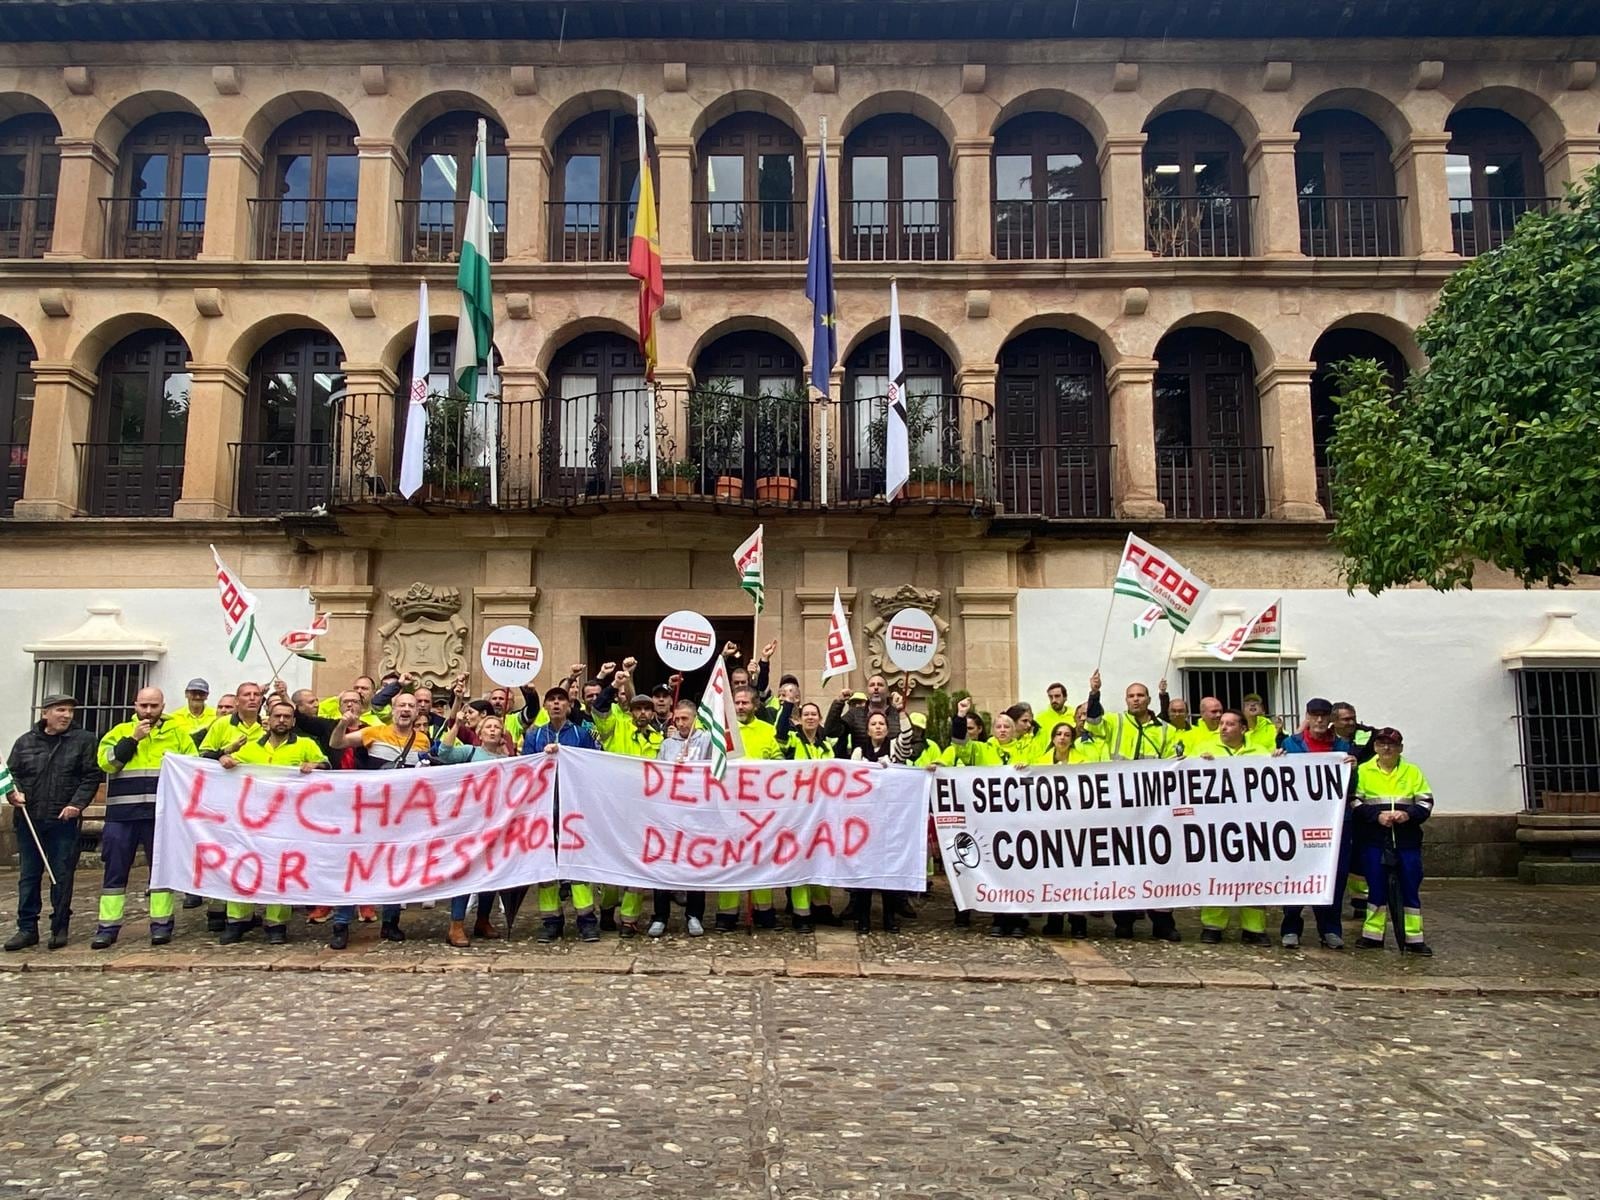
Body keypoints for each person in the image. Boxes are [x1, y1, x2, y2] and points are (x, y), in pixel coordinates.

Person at [215, 697, 327, 945]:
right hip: (252, 821)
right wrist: (224, 759)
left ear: (293, 721)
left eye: (287, 717)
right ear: (269, 719)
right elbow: (230, 765)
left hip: (287, 821)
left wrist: (315, 765)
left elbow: (327, 766)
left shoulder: (306, 744)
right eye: (277, 716)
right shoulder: (252, 747)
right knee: (243, 866)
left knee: (280, 870)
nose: (282, 720)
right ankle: (237, 920)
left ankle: (276, 924)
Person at [92, 687, 197, 949]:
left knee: (160, 873)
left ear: (163, 705)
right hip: (122, 816)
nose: (148, 711)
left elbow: (192, 769)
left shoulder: (178, 734)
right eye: (143, 706)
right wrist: (133, 739)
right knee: (114, 873)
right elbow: (107, 764)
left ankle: (161, 925)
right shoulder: (118, 732)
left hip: (161, 816)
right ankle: (108, 927)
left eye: (154, 706)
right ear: (134, 706)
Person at [325, 693, 432, 947]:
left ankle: (391, 923)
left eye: (411, 706)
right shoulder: (373, 732)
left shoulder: (423, 741)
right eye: (401, 705)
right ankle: (341, 923)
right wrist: (343, 723)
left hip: (402, 816)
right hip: (369, 813)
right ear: (392, 710)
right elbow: (337, 743)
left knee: (395, 867)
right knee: (355, 866)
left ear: (417, 712)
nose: (406, 710)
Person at [1083, 672, 1181, 942]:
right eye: (1131, 696)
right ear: (1125, 700)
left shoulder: (1165, 730)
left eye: (1140, 695)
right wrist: (1094, 693)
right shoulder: (1115, 722)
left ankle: (1163, 922)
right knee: (1123, 863)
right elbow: (1092, 724)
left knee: (1159, 863)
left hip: (1154, 807)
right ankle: (1123, 921)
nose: (1135, 699)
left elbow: (1176, 761)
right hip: (1121, 806)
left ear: (1149, 699)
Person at [3, 693, 101, 951]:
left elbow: (91, 776)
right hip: (29, 818)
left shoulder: (84, 740)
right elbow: (13, 774)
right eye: (60, 710)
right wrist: (15, 793)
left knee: (62, 874)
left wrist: (77, 805)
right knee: (29, 875)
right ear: (45, 713)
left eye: (70, 710)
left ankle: (59, 926)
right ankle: (26, 928)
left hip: (63, 818)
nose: (66, 715)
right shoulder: (25, 742)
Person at [523, 685, 604, 943]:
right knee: (546, 865)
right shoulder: (534, 736)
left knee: (577, 863)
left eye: (561, 700)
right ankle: (551, 922)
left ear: (569, 706)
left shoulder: (582, 734)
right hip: (544, 809)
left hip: (574, 810)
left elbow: (595, 762)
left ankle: (587, 921)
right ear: (546, 706)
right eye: (552, 700)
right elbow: (524, 769)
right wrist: (542, 758)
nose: (557, 704)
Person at [1278, 697, 1357, 950]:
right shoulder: (1291, 744)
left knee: (1335, 875)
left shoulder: (1343, 746)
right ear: (1308, 716)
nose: (1320, 720)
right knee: (1296, 872)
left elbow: (1352, 789)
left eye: (1324, 715)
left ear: (1331, 718)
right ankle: (1291, 926)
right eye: (1315, 715)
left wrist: (1352, 770)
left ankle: (1330, 928)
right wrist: (1276, 761)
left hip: (1335, 822)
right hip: (1299, 821)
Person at [1351, 728, 1434, 956]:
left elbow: (1426, 802)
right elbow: (1354, 802)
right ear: (1376, 746)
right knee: (1375, 887)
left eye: (1392, 744)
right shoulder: (1363, 771)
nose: (1387, 748)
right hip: (1374, 839)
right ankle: (1372, 935)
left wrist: (1408, 815)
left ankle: (1413, 938)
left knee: (1410, 887)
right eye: (1382, 744)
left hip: (1406, 840)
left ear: (1400, 748)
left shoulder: (1412, 771)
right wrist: (1375, 817)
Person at [1197, 711, 1277, 945]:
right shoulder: (1205, 749)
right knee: (1217, 872)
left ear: (1243, 729)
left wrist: (1280, 761)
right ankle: (1212, 925)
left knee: (1252, 874)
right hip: (1216, 824)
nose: (1223, 728)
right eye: (1221, 723)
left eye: (1230, 724)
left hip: (1252, 824)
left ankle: (1254, 928)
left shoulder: (1260, 752)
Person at [436, 713, 516, 947]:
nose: (493, 730)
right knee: (465, 872)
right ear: (479, 734)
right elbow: (444, 753)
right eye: (488, 727)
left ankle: (483, 920)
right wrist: (457, 725)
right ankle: (456, 925)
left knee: (490, 873)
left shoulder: (508, 757)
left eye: (497, 727)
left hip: (496, 822)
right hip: (469, 822)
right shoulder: (469, 752)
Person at [715, 684, 786, 931]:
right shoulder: (721, 730)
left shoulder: (768, 730)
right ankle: (727, 914)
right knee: (730, 857)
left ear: (755, 705)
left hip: (760, 808)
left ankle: (763, 910)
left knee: (760, 856)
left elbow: (779, 763)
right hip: (728, 806)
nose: (741, 707)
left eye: (745, 703)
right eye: (737, 703)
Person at [647, 700, 712, 939]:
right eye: (678, 719)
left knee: (695, 864)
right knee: (663, 863)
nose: (681, 723)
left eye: (686, 719)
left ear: (696, 718)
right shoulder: (667, 744)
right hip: (670, 812)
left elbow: (717, 766)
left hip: (696, 811)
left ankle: (694, 915)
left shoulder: (706, 739)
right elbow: (658, 774)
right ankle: (660, 916)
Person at [1331, 700, 1379, 918]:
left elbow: (1379, 743)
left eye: (1353, 717)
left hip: (1361, 802)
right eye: (1346, 719)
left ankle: (1361, 902)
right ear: (1334, 721)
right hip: (1334, 806)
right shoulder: (1328, 738)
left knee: (1360, 853)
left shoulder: (1366, 735)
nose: (1352, 722)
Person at [825, 673, 903, 743]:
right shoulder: (855, 714)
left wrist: (901, 710)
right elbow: (831, 731)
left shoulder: (898, 714)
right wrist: (839, 703)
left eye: (880, 685)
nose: (876, 687)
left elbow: (912, 741)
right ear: (867, 691)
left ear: (887, 691)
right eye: (872, 685)